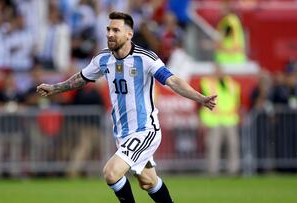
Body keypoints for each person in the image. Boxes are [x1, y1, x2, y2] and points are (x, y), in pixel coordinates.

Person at [37, 11, 216, 203]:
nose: (110, 34)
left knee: (111, 173)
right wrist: (55, 88)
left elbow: (172, 81)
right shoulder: (103, 59)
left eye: (116, 30)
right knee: (148, 182)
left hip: (145, 130)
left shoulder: (145, 58)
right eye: (108, 29)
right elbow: (81, 78)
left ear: (129, 34)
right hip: (122, 133)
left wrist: (199, 98)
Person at [199, 64, 240, 176]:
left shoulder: (232, 84)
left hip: (230, 120)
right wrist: (202, 120)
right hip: (214, 121)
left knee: (233, 147)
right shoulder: (207, 83)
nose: (219, 73)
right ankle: (213, 171)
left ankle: (233, 170)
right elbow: (200, 103)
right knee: (213, 147)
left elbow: (236, 102)